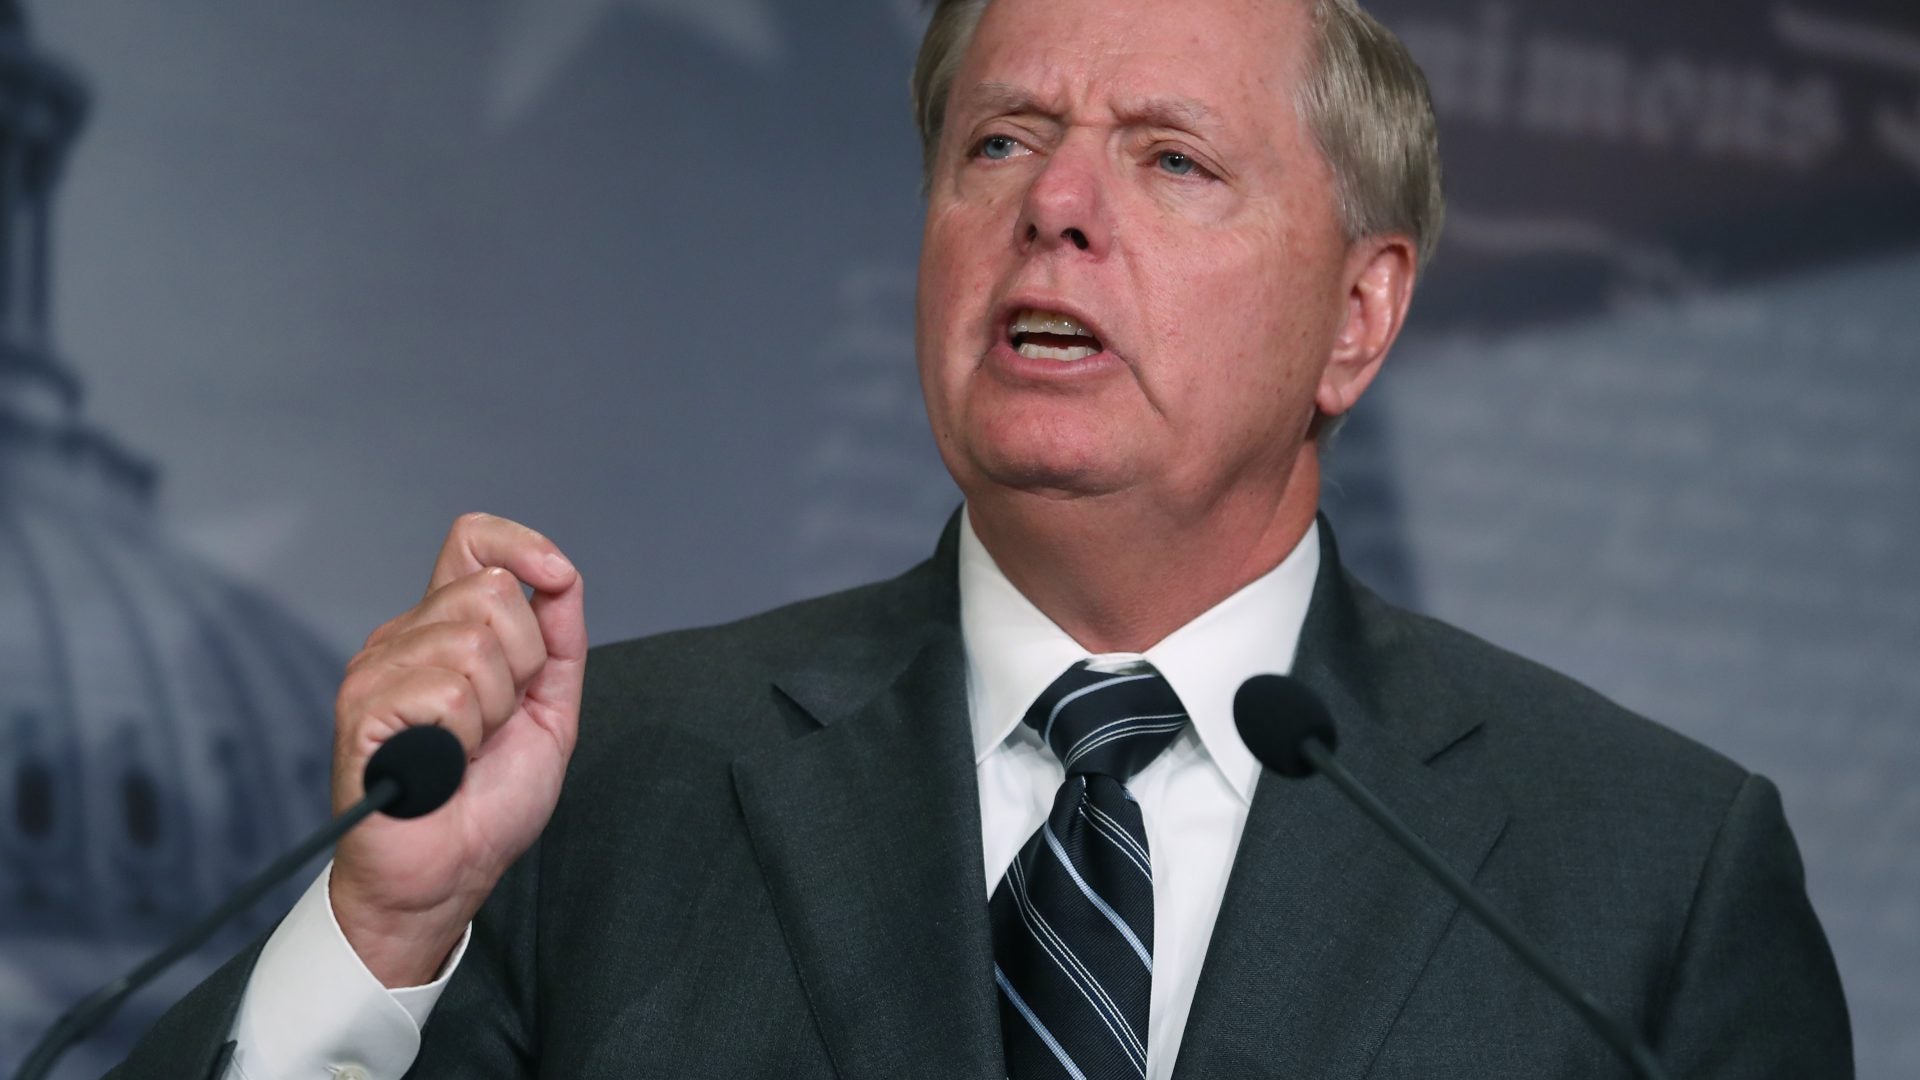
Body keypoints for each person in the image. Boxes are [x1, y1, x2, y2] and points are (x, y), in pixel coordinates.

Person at [111, 0, 1851, 1076]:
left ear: (1357, 317)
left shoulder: (1644, 879)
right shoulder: (593, 790)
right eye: (1001, 140)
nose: (1056, 207)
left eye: (1172, 161)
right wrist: (383, 931)